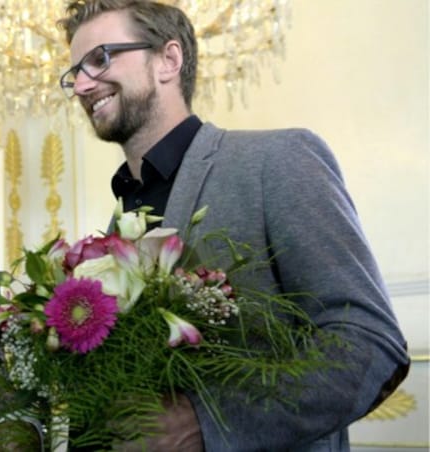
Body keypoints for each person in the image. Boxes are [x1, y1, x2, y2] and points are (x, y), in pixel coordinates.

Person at [55, 0, 410, 450]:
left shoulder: (279, 160)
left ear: (168, 60)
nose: (83, 84)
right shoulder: (117, 223)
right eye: (74, 74)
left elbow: (369, 343)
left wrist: (205, 424)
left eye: (99, 58)